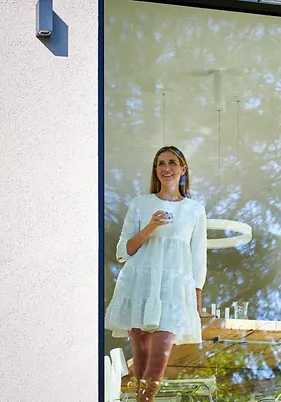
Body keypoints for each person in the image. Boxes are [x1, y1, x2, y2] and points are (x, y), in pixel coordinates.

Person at [104, 145, 208, 401]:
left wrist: (196, 300)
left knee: (158, 361)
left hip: (173, 291)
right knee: (140, 360)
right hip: (139, 285)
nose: (166, 168)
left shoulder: (195, 209)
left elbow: (198, 258)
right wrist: (150, 226)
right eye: (160, 163)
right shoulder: (141, 204)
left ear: (183, 169)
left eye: (172, 162)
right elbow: (124, 251)